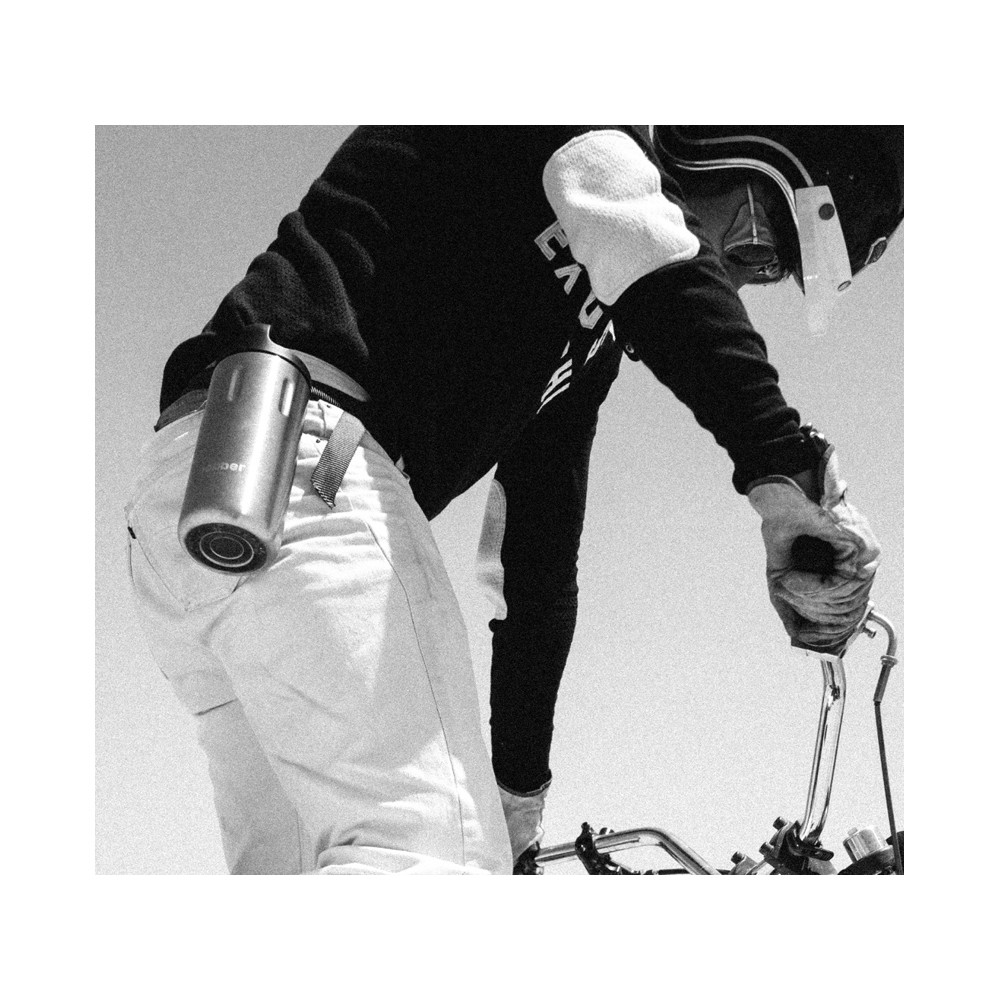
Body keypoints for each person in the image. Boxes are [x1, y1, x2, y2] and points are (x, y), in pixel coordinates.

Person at [125, 126, 903, 874]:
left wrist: (518, 791)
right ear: (739, 147)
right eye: (762, 247)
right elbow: (651, 247)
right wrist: (788, 471)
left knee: (303, 874)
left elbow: (538, 561)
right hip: (298, 452)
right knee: (427, 860)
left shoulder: (590, 336)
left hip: (217, 506)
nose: (739, 278)